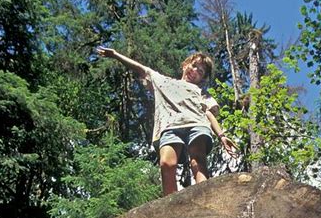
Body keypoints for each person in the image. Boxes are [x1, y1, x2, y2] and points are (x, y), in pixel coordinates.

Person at [96, 47, 238, 196]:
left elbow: (208, 112)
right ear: (185, 65)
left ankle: (205, 197)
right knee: (166, 164)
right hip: (169, 127)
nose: (195, 71)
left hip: (197, 124)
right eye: (194, 65)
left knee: (198, 161)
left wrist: (221, 135)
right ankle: (170, 204)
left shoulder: (201, 92)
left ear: (202, 79)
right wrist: (116, 54)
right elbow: (141, 69)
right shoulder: (163, 81)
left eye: (200, 72)